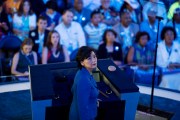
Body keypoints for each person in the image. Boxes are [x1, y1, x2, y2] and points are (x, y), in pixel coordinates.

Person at [69, 46, 99, 120]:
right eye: (89, 58)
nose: (94, 60)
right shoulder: (84, 80)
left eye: (94, 57)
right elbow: (83, 108)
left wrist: (94, 100)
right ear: (82, 62)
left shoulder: (82, 72)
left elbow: (74, 90)